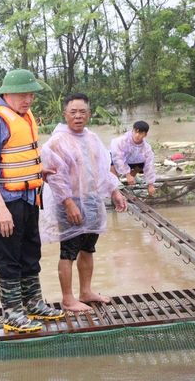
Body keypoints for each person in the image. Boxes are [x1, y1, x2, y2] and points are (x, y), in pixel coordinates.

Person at [0, 69, 64, 334]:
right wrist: (0, 209)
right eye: (23, 94)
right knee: (8, 255)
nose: (28, 99)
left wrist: (38, 172)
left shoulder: (24, 116)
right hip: (5, 200)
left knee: (29, 251)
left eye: (31, 94)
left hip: (28, 195)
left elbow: (17, 156)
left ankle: (33, 303)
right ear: (7, 93)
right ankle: (13, 312)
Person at [39, 93, 128, 312]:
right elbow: (55, 177)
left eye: (82, 112)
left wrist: (115, 191)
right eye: (73, 112)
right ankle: (68, 299)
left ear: (89, 114)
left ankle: (85, 292)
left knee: (88, 248)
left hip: (92, 200)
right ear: (65, 115)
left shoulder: (92, 138)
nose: (78, 116)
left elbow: (103, 169)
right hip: (69, 203)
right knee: (68, 251)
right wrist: (69, 203)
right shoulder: (57, 141)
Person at [110, 120, 157, 195]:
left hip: (132, 162)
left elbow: (149, 165)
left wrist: (150, 185)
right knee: (110, 157)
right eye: (136, 132)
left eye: (141, 133)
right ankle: (116, 180)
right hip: (120, 162)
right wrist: (127, 174)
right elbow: (118, 159)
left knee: (145, 160)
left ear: (145, 135)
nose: (137, 135)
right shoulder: (121, 141)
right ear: (132, 131)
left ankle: (133, 175)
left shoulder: (146, 147)